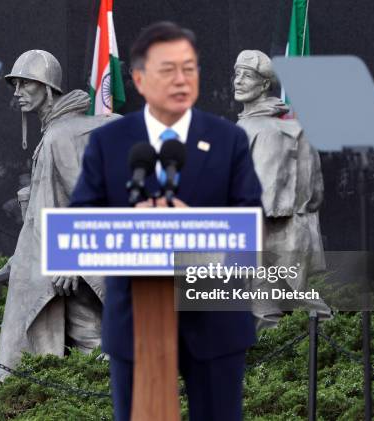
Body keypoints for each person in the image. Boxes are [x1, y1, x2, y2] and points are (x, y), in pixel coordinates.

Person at [70, 22, 262, 421]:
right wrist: (128, 224)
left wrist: (199, 228)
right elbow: (79, 226)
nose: (180, 80)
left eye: (188, 68)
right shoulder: (109, 142)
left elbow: (251, 224)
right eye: (166, 69)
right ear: (139, 79)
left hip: (214, 320)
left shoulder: (229, 139)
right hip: (135, 322)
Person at [0, 50, 120, 382]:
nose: (18, 92)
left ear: (48, 89)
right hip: (56, 261)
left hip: (67, 268)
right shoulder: (58, 132)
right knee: (92, 344)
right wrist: (20, 257)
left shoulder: (60, 135)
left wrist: (71, 259)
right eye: (15, 85)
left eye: (27, 84)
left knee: (94, 346)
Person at [233, 50, 331, 329]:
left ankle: (329, 345)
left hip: (275, 231)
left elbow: (267, 190)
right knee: (262, 306)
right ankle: (268, 361)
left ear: (264, 84)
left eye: (247, 75)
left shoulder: (269, 128)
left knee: (301, 299)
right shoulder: (250, 123)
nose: (238, 81)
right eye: (237, 74)